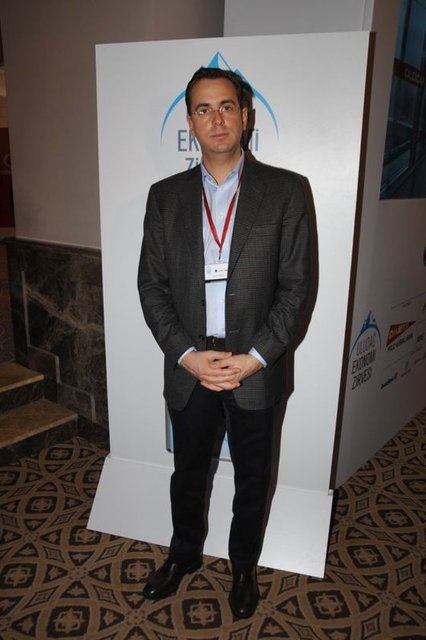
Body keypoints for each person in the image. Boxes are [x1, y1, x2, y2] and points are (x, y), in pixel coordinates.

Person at [138, 67, 312, 618]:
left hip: (255, 368)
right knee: (188, 472)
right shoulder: (164, 197)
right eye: (203, 109)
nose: (216, 119)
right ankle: (184, 554)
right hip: (190, 367)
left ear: (246, 115)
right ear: (190, 122)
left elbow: (296, 289)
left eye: (226, 106)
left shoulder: (286, 191)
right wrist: (187, 356)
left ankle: (242, 566)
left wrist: (254, 359)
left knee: (253, 478)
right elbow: (151, 287)